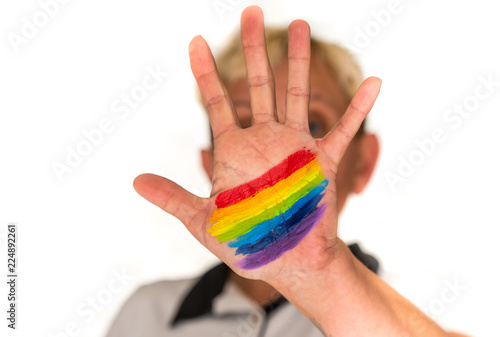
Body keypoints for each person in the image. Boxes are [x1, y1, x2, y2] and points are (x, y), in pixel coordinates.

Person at [106, 6, 469, 337]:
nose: (276, 160)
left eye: (313, 123)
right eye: (245, 124)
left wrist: (321, 275)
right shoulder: (147, 315)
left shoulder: (419, 301)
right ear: (209, 165)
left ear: (365, 162)